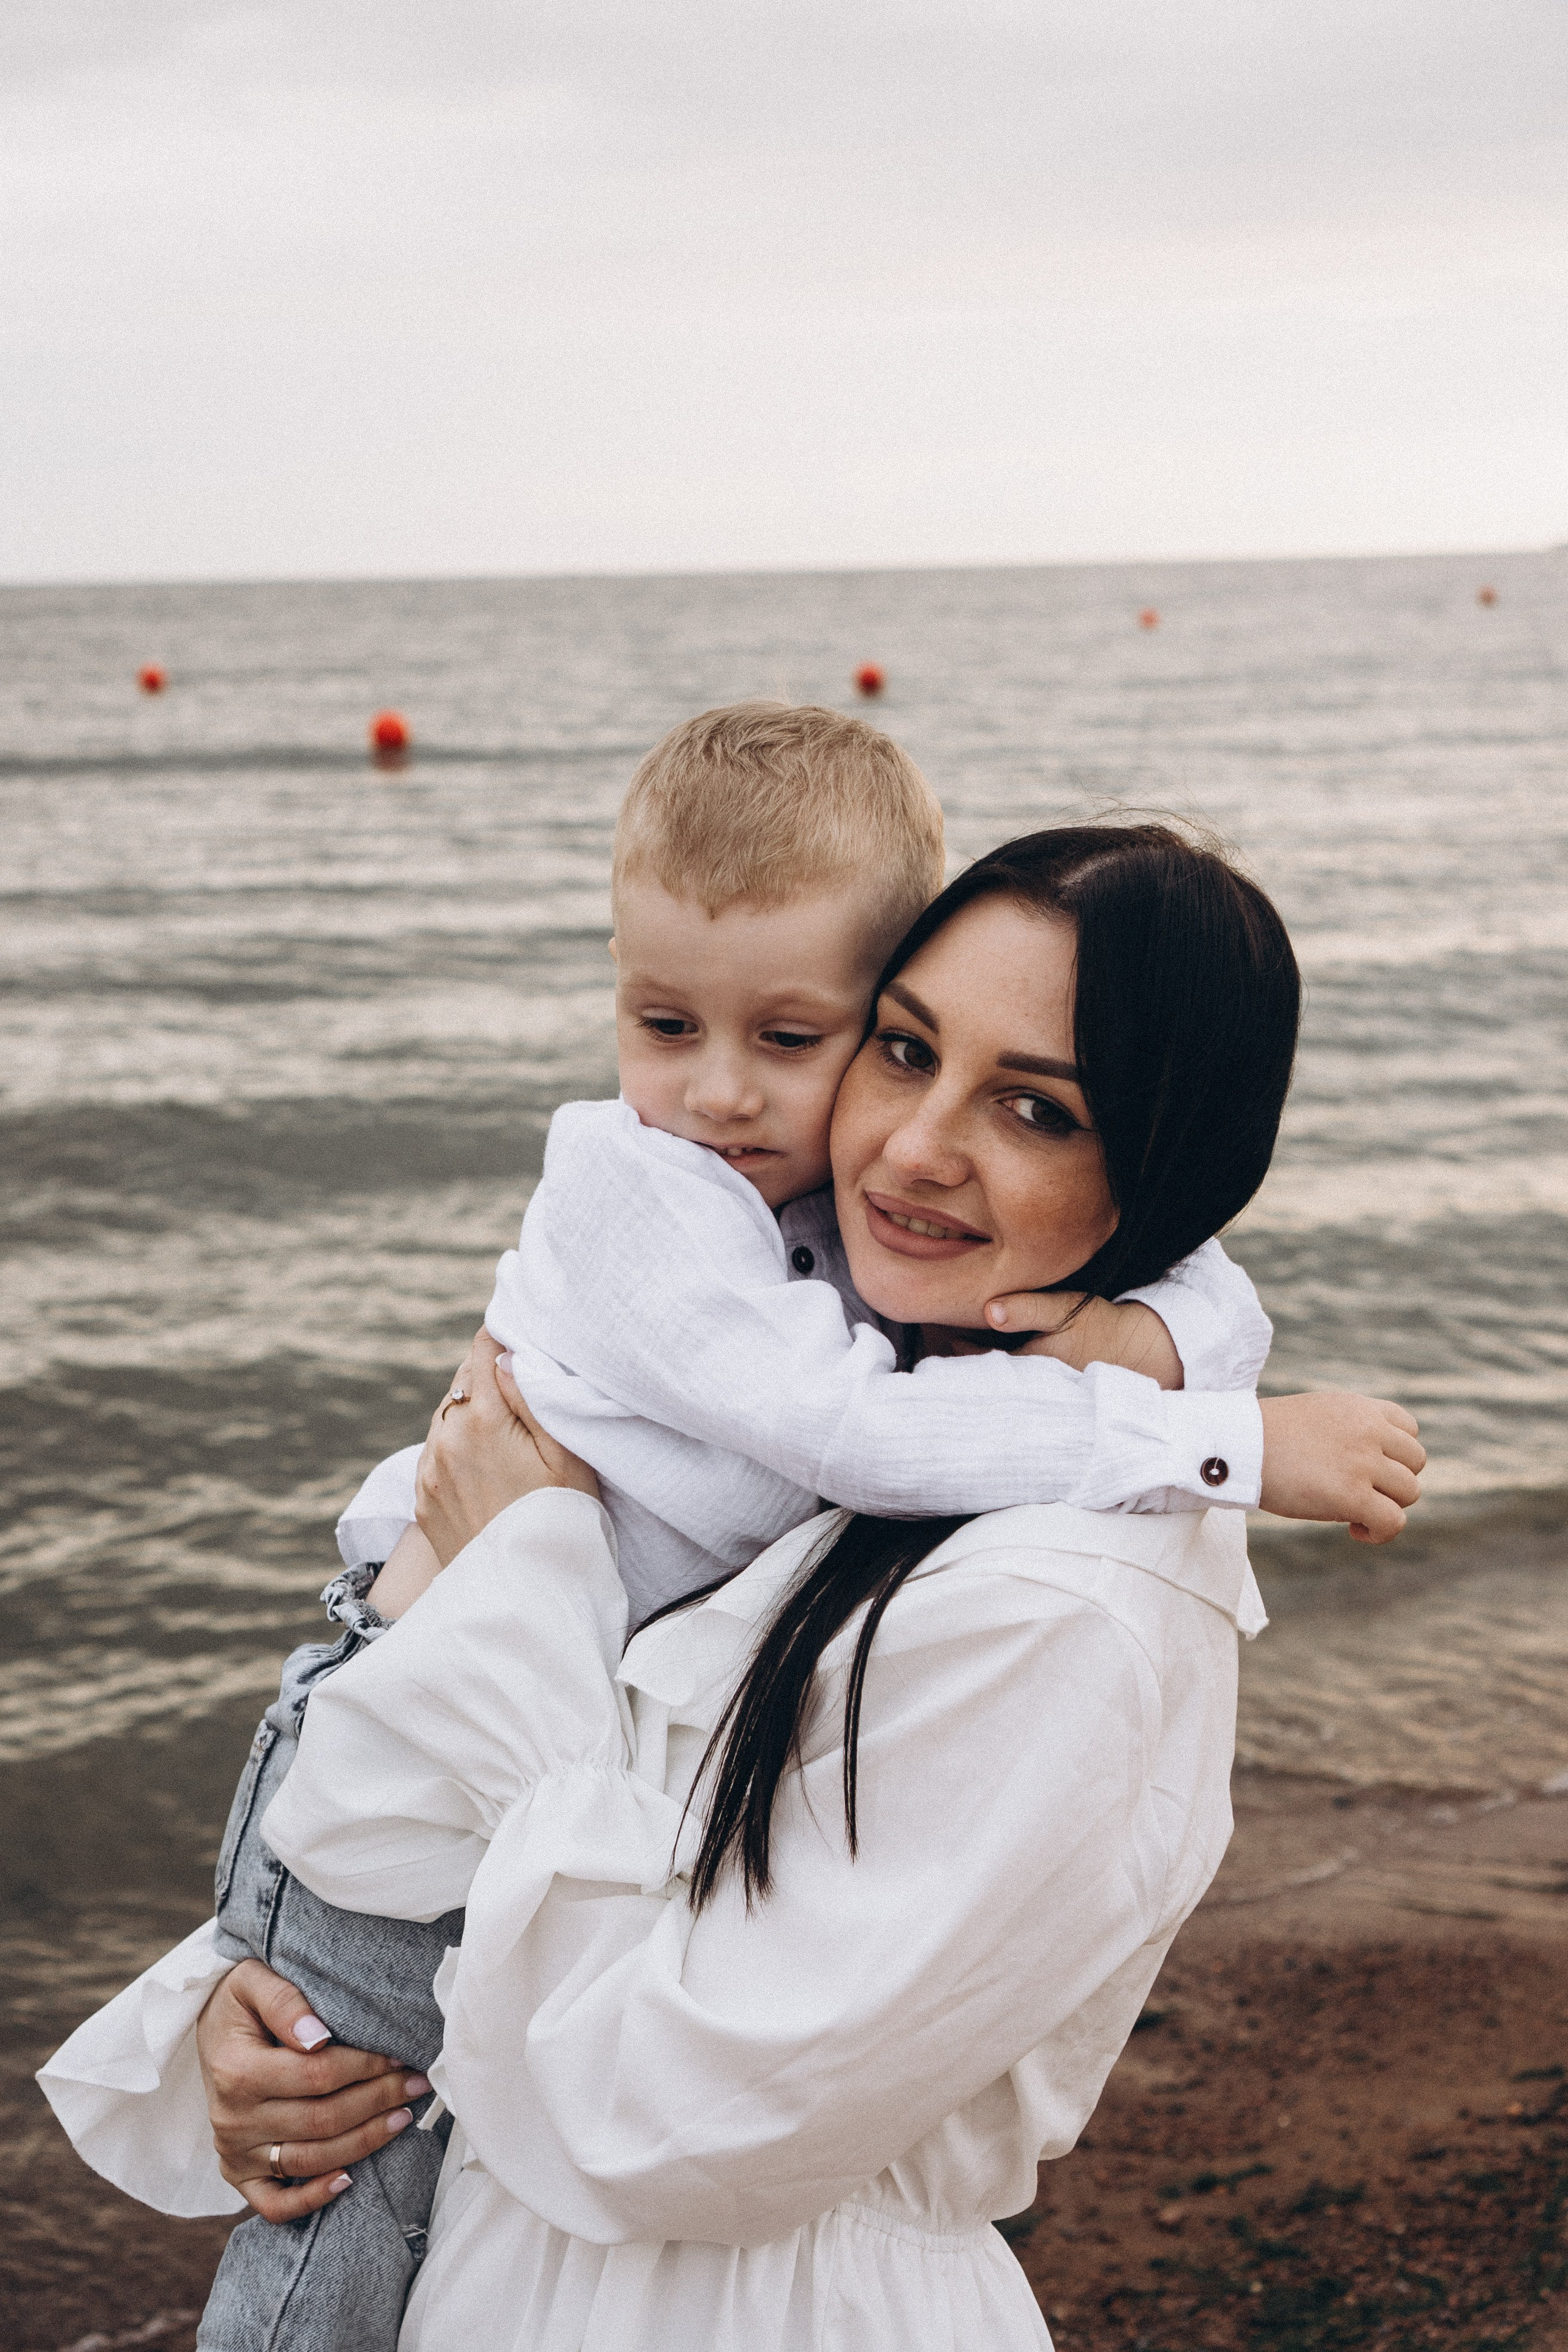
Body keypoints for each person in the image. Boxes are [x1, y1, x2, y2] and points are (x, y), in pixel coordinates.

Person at [43, 824, 1424, 2350]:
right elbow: (613, 1840)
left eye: (1035, 1108)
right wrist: (299, 2021)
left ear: (1172, 1162)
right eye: (900, 1051)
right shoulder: (865, 1377)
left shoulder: (1065, 1605)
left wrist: (523, 1574)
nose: (910, 1146)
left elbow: (670, 2112)